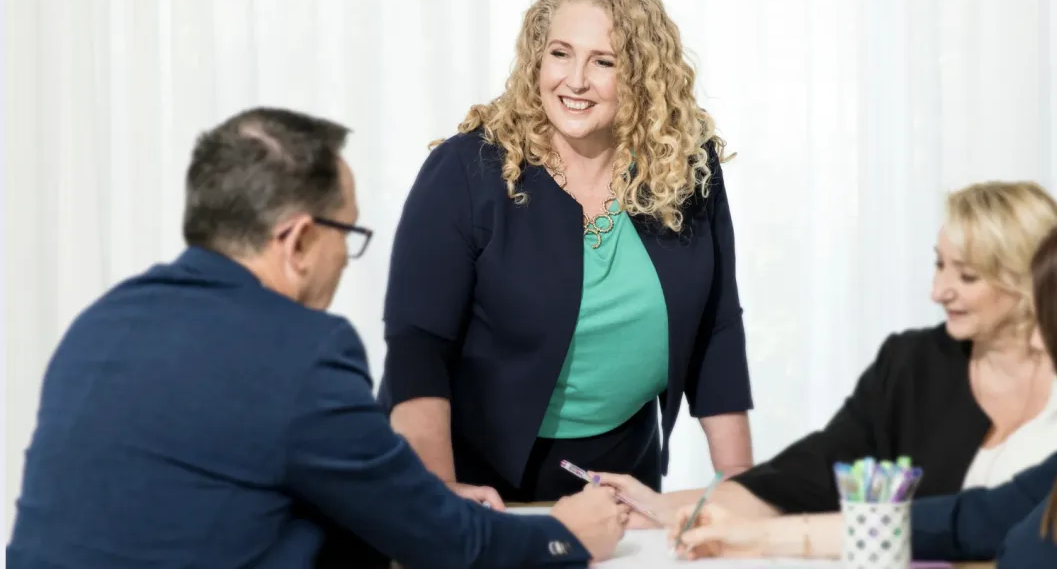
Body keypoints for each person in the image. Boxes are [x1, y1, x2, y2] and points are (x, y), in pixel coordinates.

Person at [5, 107, 629, 568]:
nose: (344, 260)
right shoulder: (298, 353)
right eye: (346, 233)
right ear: (298, 240)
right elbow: (445, 545)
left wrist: (419, 500)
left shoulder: (100, 324)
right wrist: (564, 534)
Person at [378, 0, 754, 504]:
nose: (575, 80)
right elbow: (418, 343)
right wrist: (438, 493)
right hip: (468, 465)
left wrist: (737, 482)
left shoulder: (684, 167)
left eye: (604, 62)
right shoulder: (467, 169)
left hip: (621, 473)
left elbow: (717, 323)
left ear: (643, 75)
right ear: (538, 58)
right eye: (560, 54)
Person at [667, 198, 1057, 568]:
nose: (1040, 341)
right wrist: (755, 535)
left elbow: (1028, 552)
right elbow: (973, 517)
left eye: (1050, 322)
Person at [598, 181, 1057, 525]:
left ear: (1025, 279)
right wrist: (669, 507)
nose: (938, 292)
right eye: (940, 266)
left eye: (967, 276)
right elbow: (805, 475)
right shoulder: (912, 366)